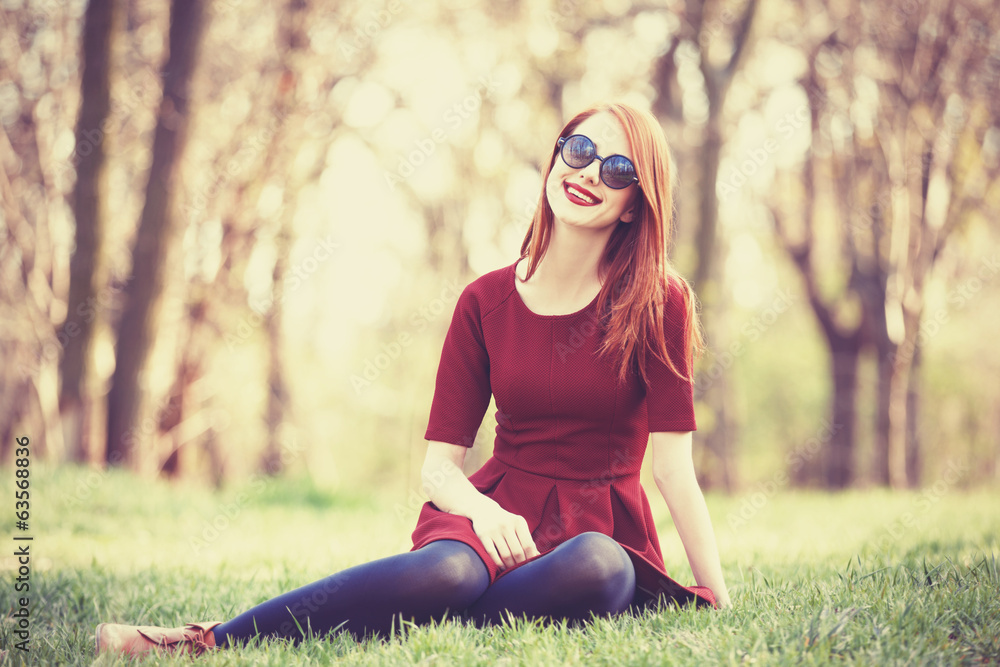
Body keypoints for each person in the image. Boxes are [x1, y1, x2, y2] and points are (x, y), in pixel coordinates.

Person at [95, 101, 731, 657]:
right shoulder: (484, 302)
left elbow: (674, 469)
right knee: (446, 577)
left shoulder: (659, 302)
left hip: (598, 532)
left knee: (598, 570)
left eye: (617, 170)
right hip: (490, 516)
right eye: (581, 149)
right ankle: (205, 641)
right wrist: (483, 513)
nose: (590, 172)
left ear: (632, 206)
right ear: (556, 158)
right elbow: (438, 468)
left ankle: (410, 620)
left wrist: (717, 597)